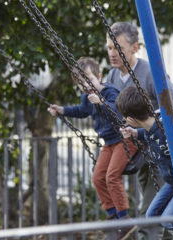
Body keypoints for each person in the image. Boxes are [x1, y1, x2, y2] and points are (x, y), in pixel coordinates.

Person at [105, 21, 173, 240]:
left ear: (135, 48)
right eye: (109, 48)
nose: (112, 54)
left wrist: (157, 131)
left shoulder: (151, 74)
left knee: (151, 217)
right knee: (161, 219)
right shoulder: (112, 77)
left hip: (163, 153)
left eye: (118, 48)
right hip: (141, 153)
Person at [48, 57, 137, 240]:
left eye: (88, 79)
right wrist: (62, 110)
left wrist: (101, 103)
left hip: (124, 139)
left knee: (112, 176)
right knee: (97, 177)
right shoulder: (87, 98)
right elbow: (82, 110)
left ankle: (124, 219)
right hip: (109, 143)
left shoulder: (111, 92)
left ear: (99, 76)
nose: (85, 85)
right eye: (80, 83)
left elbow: (118, 112)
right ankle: (112, 215)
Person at [116, 86, 173, 234]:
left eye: (124, 117)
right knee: (151, 216)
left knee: (169, 220)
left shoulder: (170, 126)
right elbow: (150, 133)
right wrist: (134, 133)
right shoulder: (150, 127)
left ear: (130, 119)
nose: (123, 120)